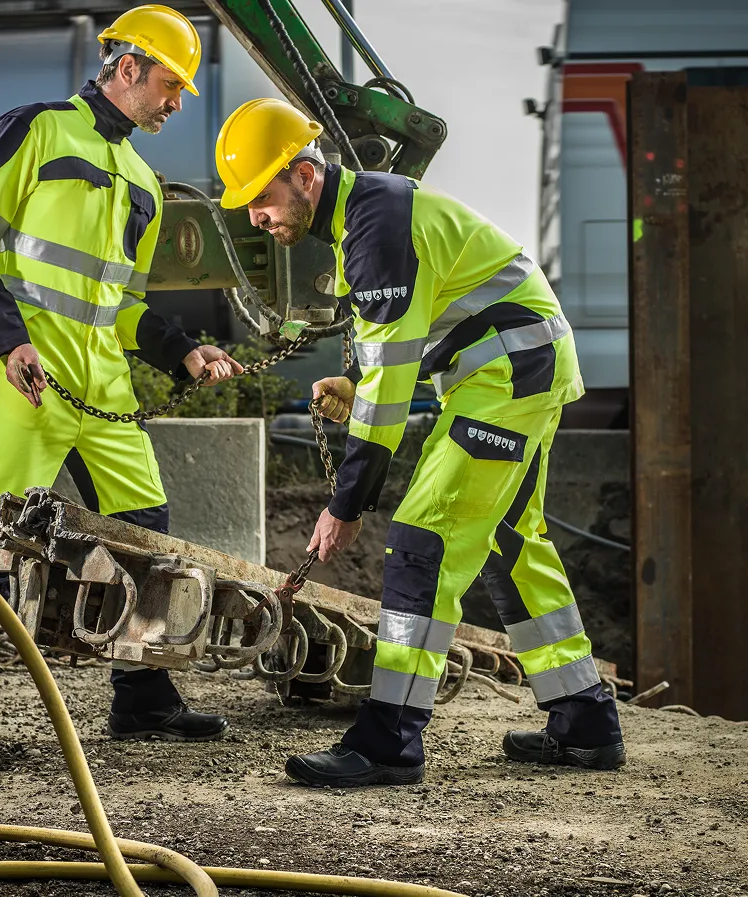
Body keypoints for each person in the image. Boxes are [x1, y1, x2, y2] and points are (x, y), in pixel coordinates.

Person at [214, 98, 626, 787]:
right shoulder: (369, 216)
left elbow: (387, 397)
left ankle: (387, 742)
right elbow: (393, 357)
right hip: (521, 369)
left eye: (260, 195)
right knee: (509, 543)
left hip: (508, 376)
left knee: (421, 540)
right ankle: (584, 718)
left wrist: (345, 505)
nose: (254, 214)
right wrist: (358, 381)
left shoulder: (374, 228)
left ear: (305, 175)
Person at [0, 5, 242, 769]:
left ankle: (144, 700)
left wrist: (184, 352)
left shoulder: (144, 179)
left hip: (101, 385)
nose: (177, 102)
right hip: (26, 375)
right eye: (172, 84)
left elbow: (123, 304)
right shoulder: (34, 128)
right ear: (128, 66)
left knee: (148, 529)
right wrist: (7, 342)